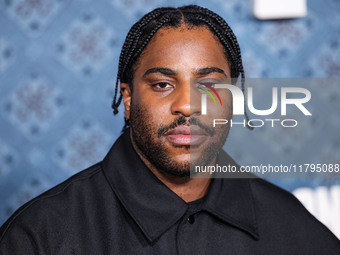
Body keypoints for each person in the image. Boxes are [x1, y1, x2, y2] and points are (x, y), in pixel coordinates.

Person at [0, 5, 339, 254]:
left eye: (209, 85)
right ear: (128, 98)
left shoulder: (291, 227)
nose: (188, 105)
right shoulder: (40, 236)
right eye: (163, 84)